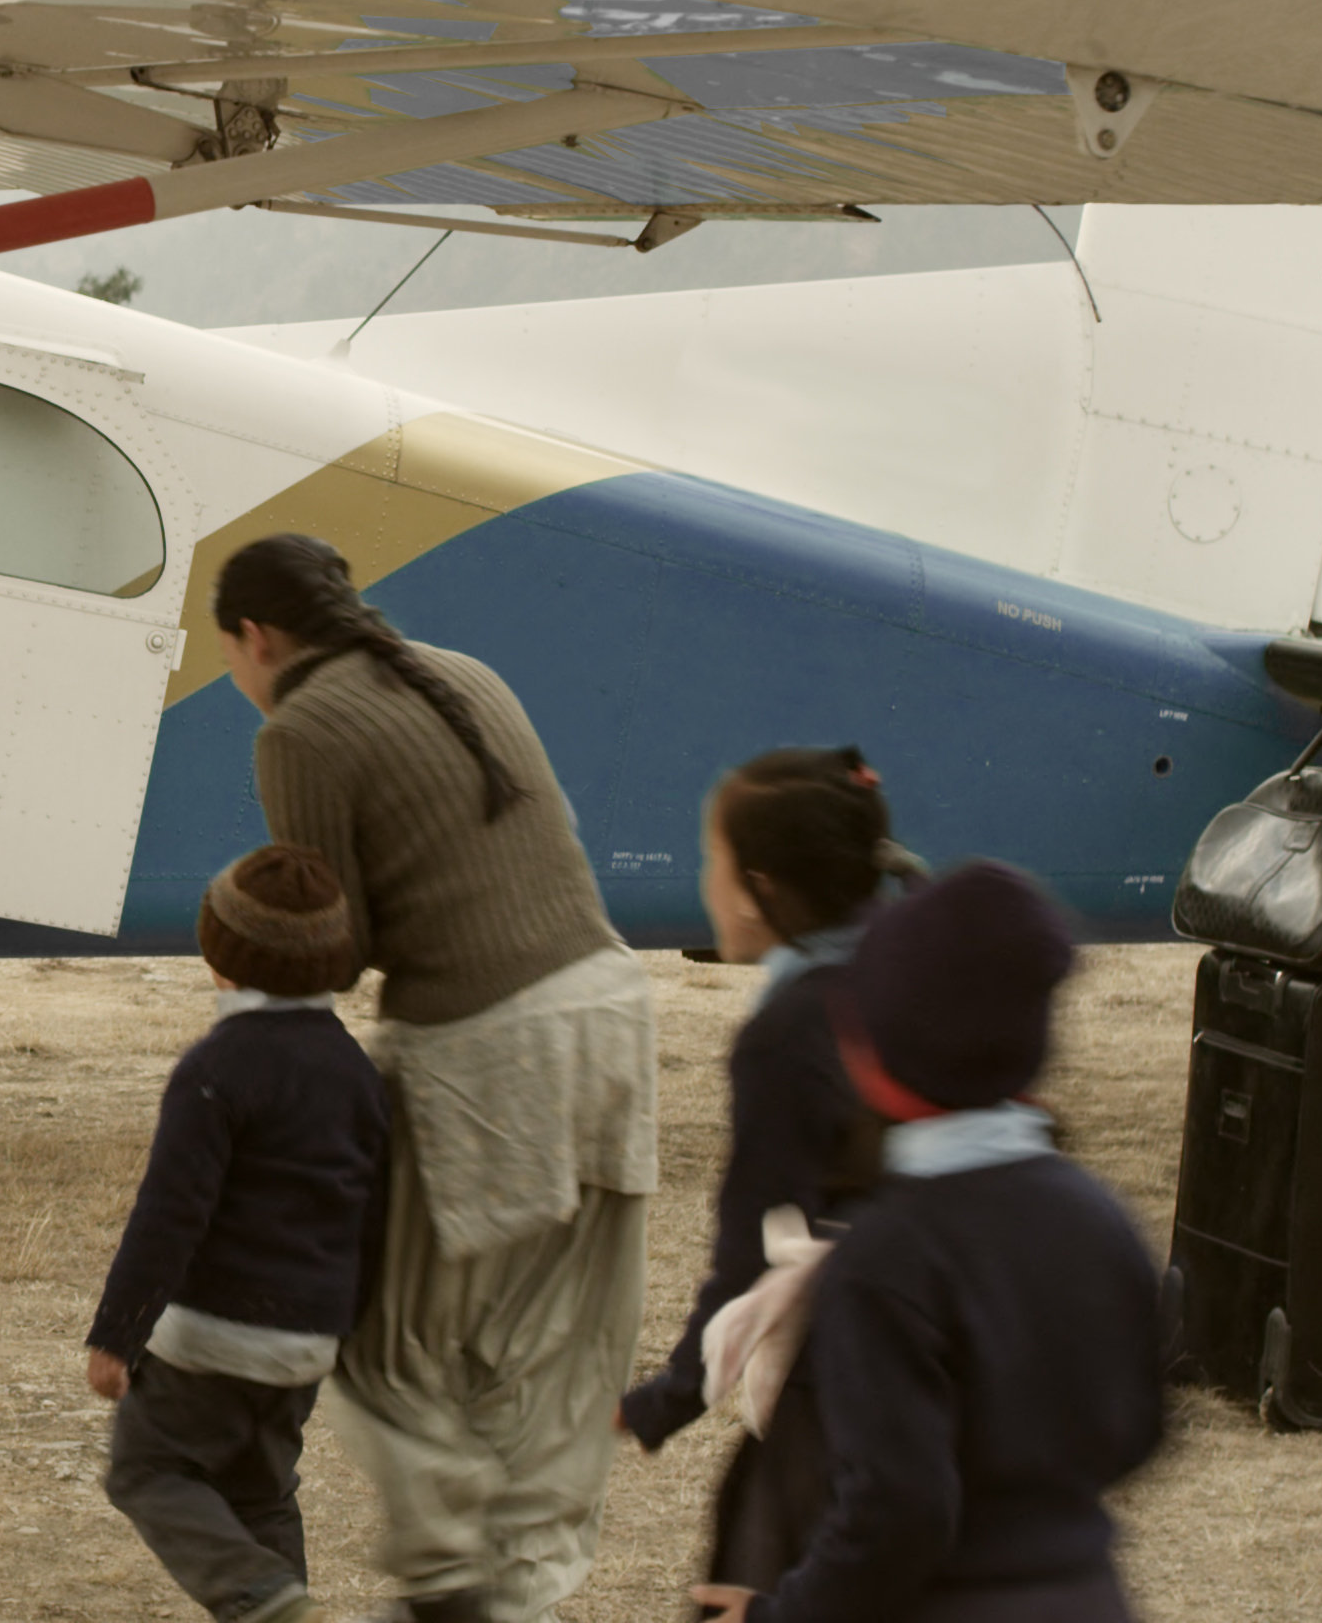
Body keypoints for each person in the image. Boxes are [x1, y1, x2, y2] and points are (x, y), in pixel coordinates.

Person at [210, 532, 653, 1623]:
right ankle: (527, 1583)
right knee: (556, 1336)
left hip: (483, 1045)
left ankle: (451, 1585)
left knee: (383, 1335)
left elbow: (333, 942)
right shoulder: (462, 672)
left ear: (254, 636)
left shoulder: (299, 730)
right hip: (607, 1011)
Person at [695, 861, 1169, 1623]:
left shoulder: (885, 1257)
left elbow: (898, 1515)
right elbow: (1143, 1428)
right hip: (1091, 1596)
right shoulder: (1099, 1214)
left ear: (867, 1055)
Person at [623, 750, 915, 1599]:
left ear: (759, 889)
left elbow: (755, 1246)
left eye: (710, 860)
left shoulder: (789, 1030)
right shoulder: (909, 970)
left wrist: (660, 1401)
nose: (703, 881)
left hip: (842, 1384)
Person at [87, 843, 386, 1623]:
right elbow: (375, 1209)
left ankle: (266, 1599)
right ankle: (283, 1602)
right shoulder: (355, 1069)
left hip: (209, 1340)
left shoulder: (217, 1067)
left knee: (148, 1472)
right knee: (262, 1492)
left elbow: (169, 1214)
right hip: (304, 1347)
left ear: (216, 952)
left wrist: (118, 1335)